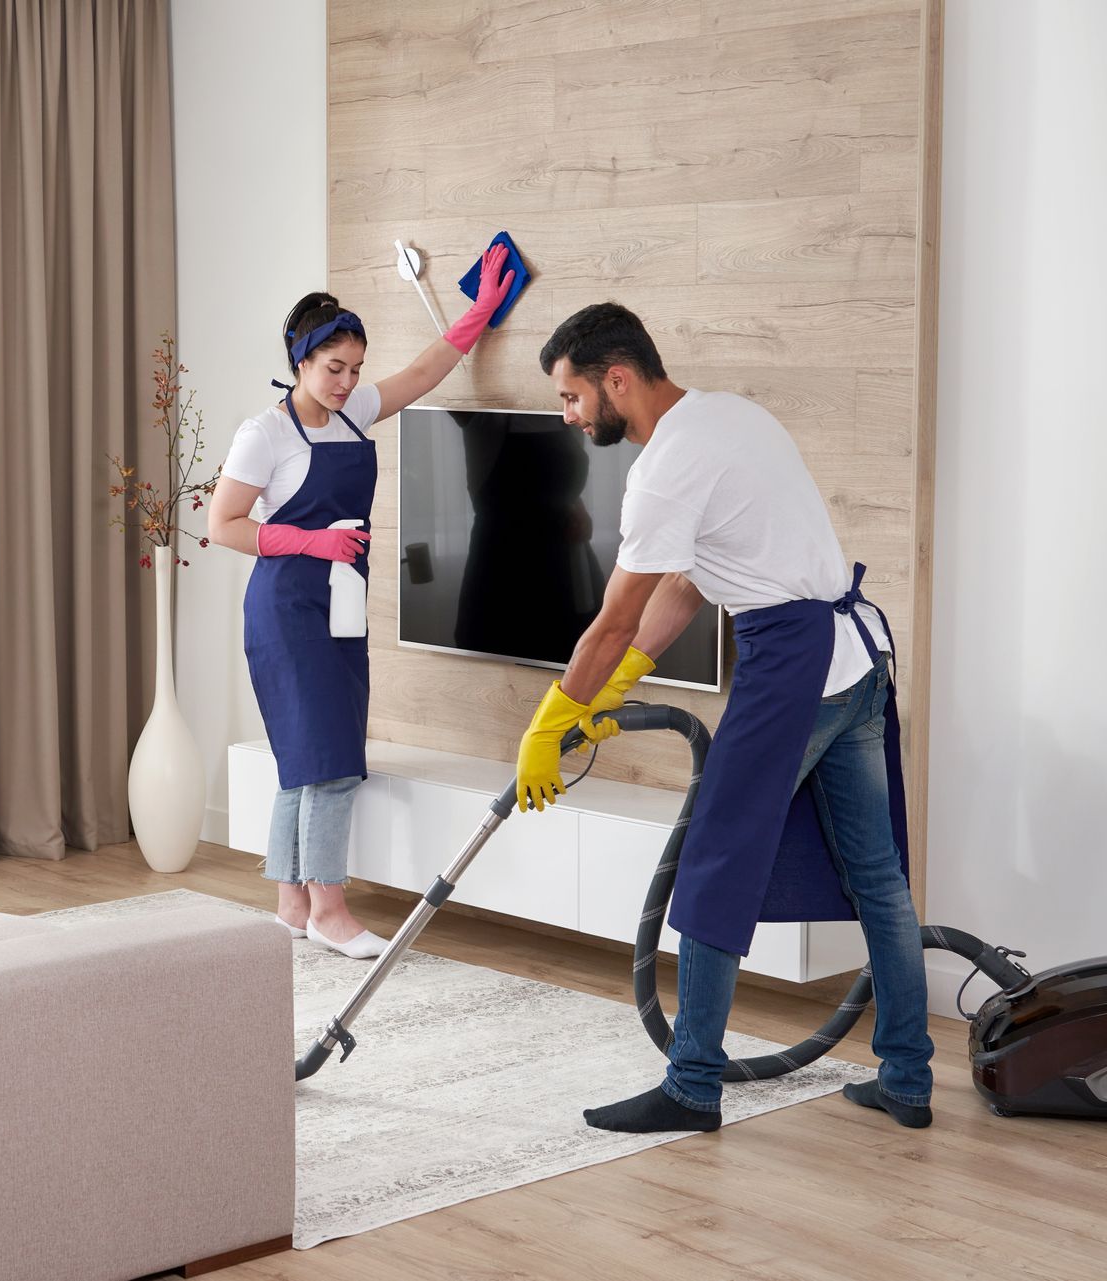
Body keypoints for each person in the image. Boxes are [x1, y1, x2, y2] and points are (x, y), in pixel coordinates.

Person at [512, 302, 933, 1131]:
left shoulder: (665, 466)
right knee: (877, 876)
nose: (568, 415)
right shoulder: (729, 415)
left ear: (617, 378)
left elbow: (614, 617)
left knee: (714, 860)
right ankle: (909, 1078)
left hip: (792, 667)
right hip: (854, 661)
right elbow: (690, 580)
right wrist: (623, 682)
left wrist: (548, 720)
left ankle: (692, 1084)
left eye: (571, 396)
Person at [209, 243, 514, 958]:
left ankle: (290, 901)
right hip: (285, 609)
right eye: (331, 369)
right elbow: (222, 524)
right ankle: (331, 908)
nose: (347, 382)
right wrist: (309, 543)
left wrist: (479, 313)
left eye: (353, 369)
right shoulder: (266, 433)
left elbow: (422, 372)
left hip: (341, 604)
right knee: (331, 761)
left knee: (304, 757)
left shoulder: (355, 413)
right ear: (298, 361)